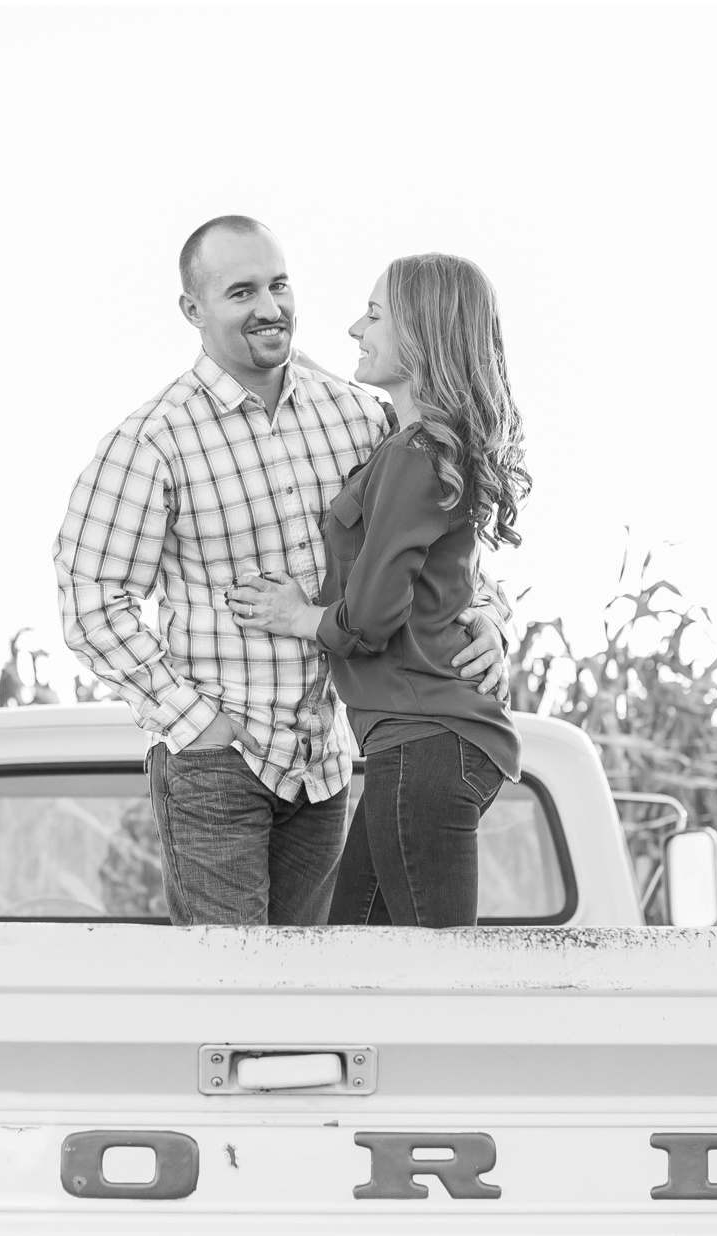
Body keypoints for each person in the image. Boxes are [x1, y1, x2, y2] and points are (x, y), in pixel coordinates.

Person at [54, 217, 512, 927]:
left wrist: (489, 617)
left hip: (323, 765)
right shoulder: (153, 441)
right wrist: (196, 723)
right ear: (193, 310)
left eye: (278, 284)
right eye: (241, 292)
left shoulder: (358, 415)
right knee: (237, 1003)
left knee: (314, 1003)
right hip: (217, 765)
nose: (270, 307)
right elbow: (90, 603)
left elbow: (438, 537)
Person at [226, 253, 529, 928]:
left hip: (426, 744)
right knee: (354, 963)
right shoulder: (424, 447)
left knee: (435, 981)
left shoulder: (415, 456)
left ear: (419, 335)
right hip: (420, 744)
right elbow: (448, 585)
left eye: (373, 314)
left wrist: (298, 616)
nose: (354, 326)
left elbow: (372, 612)